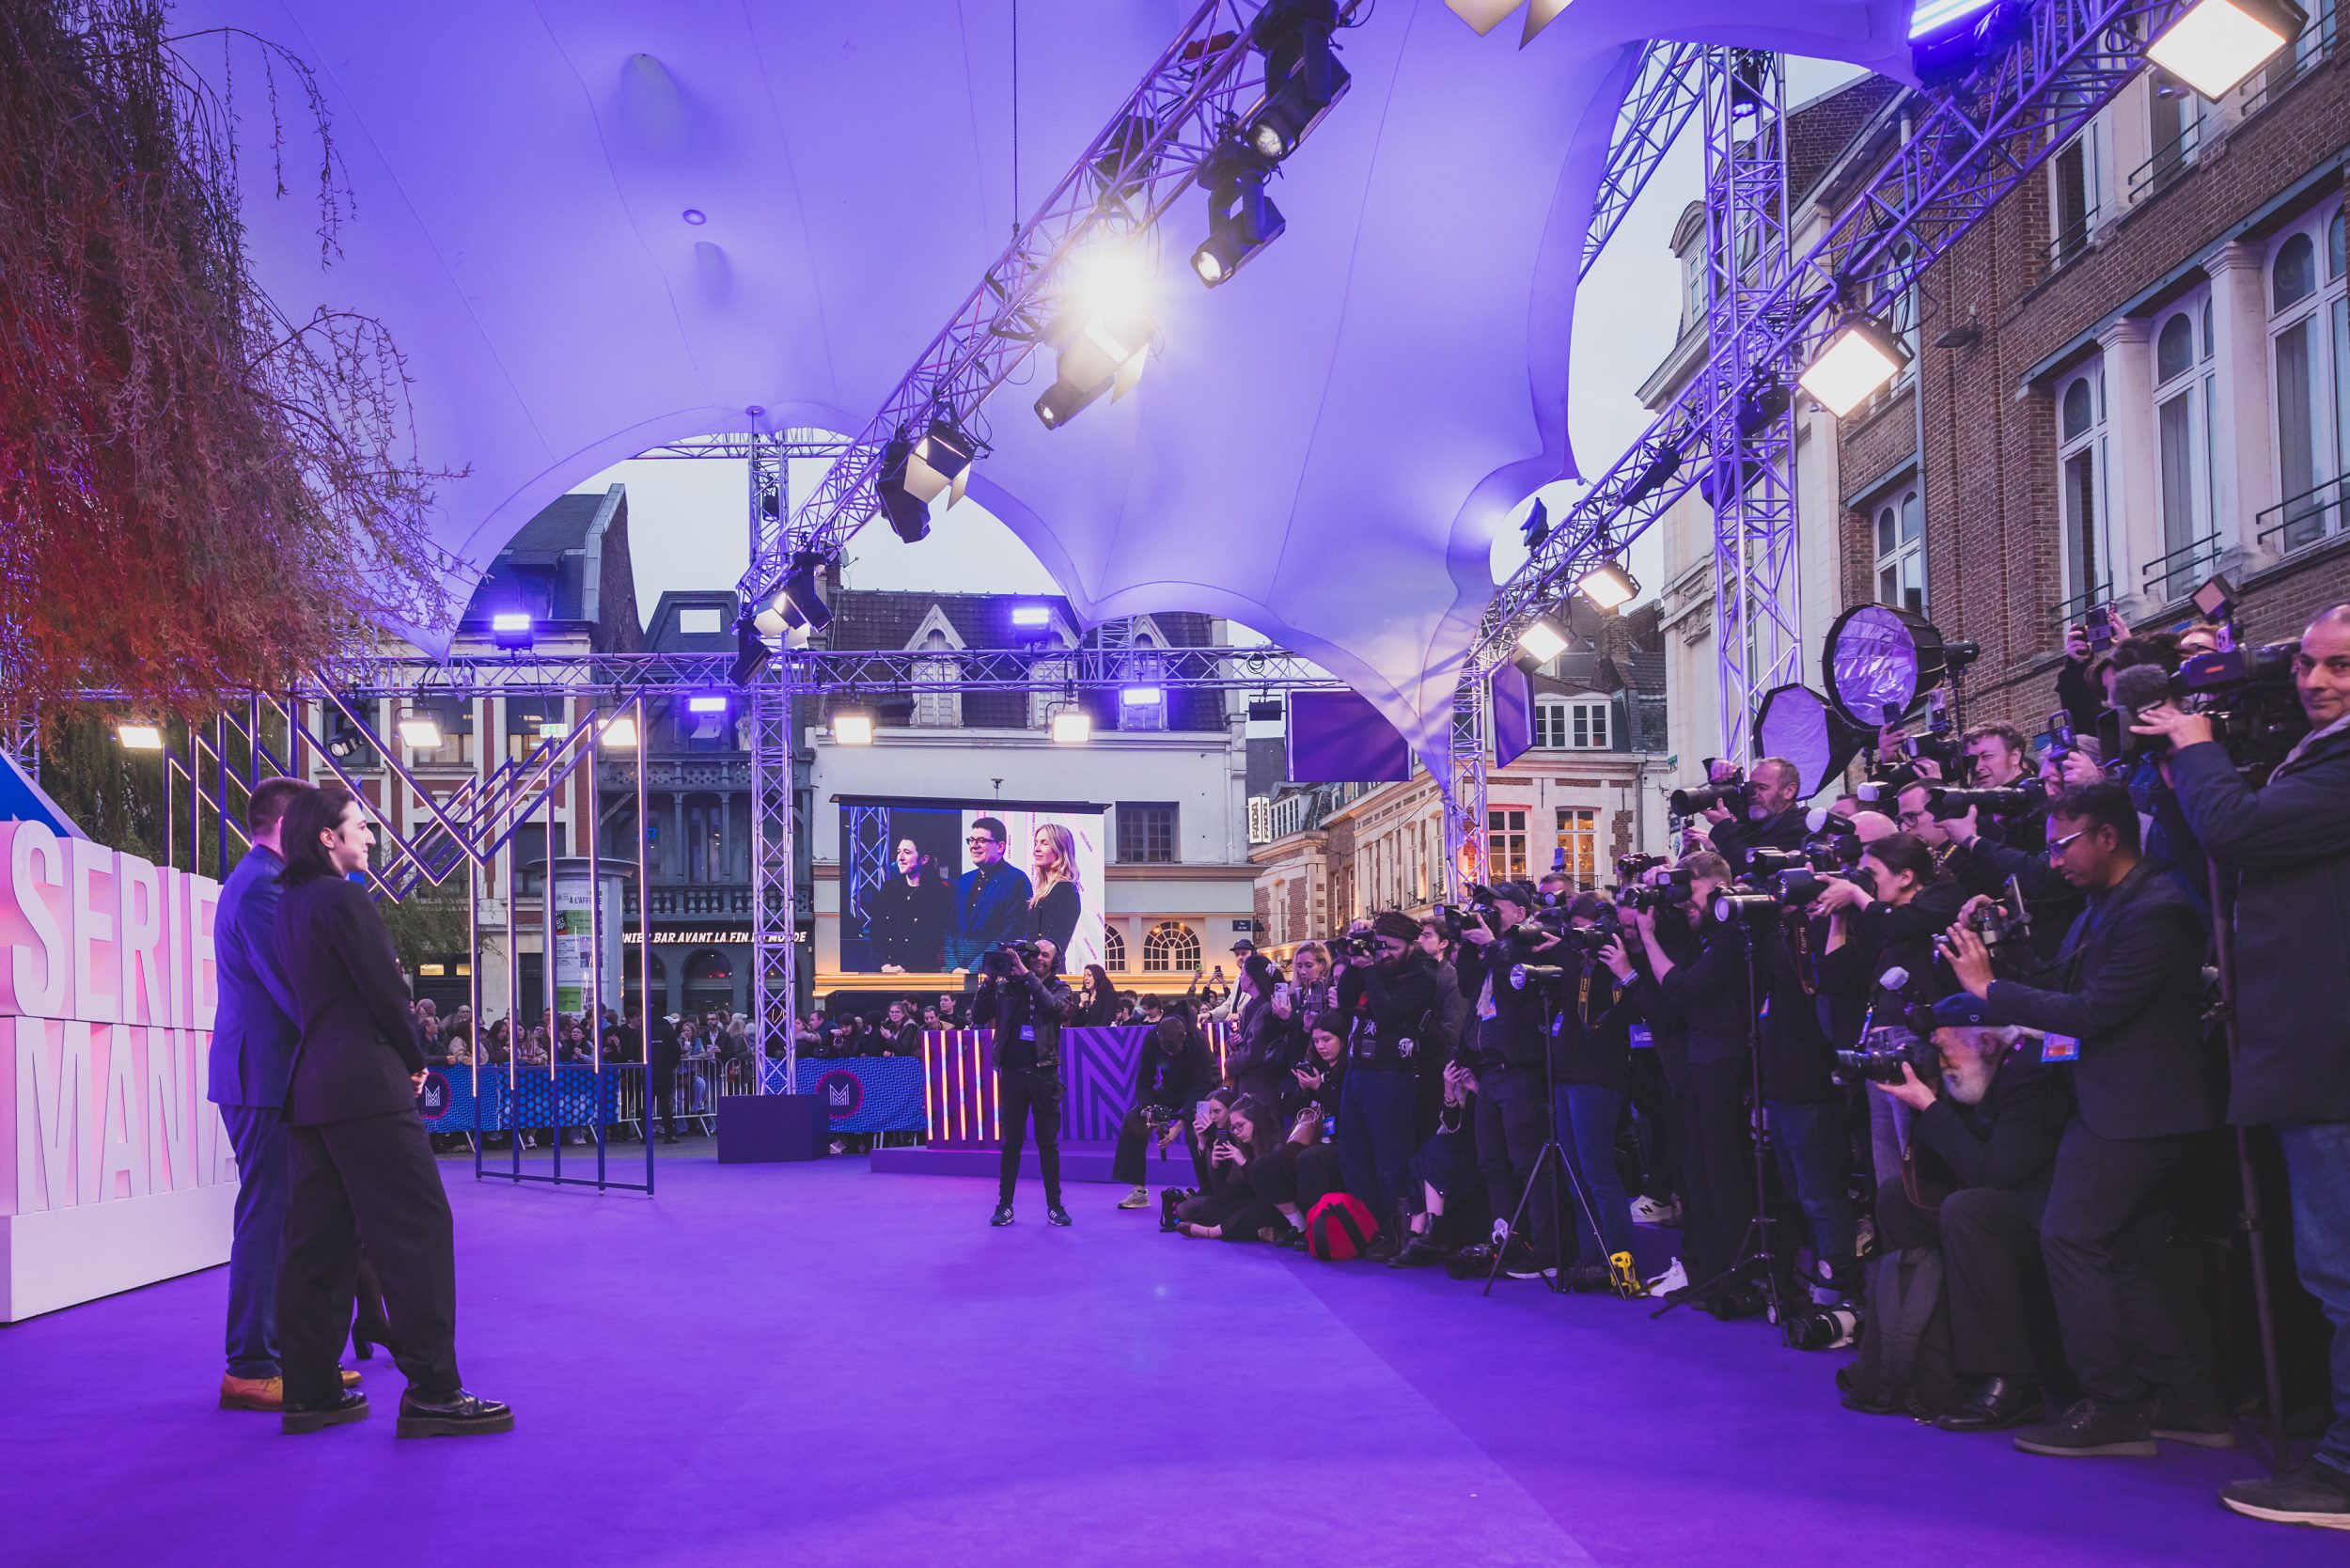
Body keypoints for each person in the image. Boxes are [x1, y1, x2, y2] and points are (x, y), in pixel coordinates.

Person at [2138, 603, 2350, 1529]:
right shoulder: (2311, 755)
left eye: (2339, 666)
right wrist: (2175, 772)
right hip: (2309, 1052)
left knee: (2341, 1273)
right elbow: (2217, 861)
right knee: (2330, 1270)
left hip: (2330, 1055)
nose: (2314, 681)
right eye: (2306, 662)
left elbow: (2239, 831)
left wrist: (2197, 751)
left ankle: (2343, 1473)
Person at [1941, 781, 2226, 1458]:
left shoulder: (2159, 909)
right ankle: (2188, 1402)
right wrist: (2001, 950)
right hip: (2111, 1104)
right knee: (2106, 1249)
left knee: (2071, 1240)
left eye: (2063, 845)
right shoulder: (2105, 907)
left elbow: (2093, 1014)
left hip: (2140, 1110)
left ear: (2108, 836)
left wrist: (1989, 990)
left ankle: (2114, 1406)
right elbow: (2061, 987)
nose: (2053, 861)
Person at [270, 785, 509, 1437]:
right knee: (418, 1227)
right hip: (367, 1086)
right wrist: (414, 1056)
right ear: (328, 837)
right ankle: (434, 1390)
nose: (372, 837)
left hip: (313, 1087)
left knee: (318, 1243)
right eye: (361, 826)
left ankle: (310, 1393)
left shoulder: (289, 906)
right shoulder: (345, 899)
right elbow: (384, 993)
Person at [1847, 1003, 2070, 1429]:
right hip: (2001, 1206)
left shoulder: (2029, 1071)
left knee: (1968, 1210)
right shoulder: (1974, 1073)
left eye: (1945, 1050)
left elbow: (1995, 1174)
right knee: (1897, 1197)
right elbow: (1933, 1169)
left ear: (1986, 1042)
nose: (1941, 1060)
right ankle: (1917, 1354)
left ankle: (2010, 1380)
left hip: (2049, 1208)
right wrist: (1927, 1098)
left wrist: (1932, 1108)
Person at [209, 776, 342, 1414]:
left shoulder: (263, 880)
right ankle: (251, 1365)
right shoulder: (262, 886)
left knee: (282, 1217)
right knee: (267, 1220)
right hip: (261, 1076)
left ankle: (284, 1357)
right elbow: (293, 985)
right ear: (286, 824)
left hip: (267, 1073)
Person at [1452, 882, 1560, 1278]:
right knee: (1491, 1164)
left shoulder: (1530, 945)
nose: (1488, 915)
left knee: (1528, 1163)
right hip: (1488, 1070)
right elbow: (1467, 985)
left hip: (1519, 1070)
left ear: (1519, 912)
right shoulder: (1491, 949)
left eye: (1495, 909)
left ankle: (1545, 1251)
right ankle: (1505, 1243)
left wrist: (1493, 945)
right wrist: (1470, 940)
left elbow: (1515, 993)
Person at [1336, 912, 1440, 1257]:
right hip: (1357, 1070)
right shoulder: (1373, 966)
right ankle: (1367, 1229)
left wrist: (1369, 971)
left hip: (1393, 1074)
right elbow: (1346, 1001)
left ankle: (1396, 1234)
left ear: (1411, 946)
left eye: (1392, 947)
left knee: (1390, 1160)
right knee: (1354, 1156)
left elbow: (1388, 1012)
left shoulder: (1422, 976)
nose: (1385, 954)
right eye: (1380, 946)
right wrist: (1354, 964)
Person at [976, 937, 1074, 1227]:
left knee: (1048, 1145)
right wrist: (990, 981)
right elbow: (979, 1015)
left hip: (1044, 1075)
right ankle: (1004, 1205)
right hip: (1012, 1074)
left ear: (1054, 962)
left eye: (1045, 955)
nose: (1039, 958)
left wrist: (1027, 976)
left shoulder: (1061, 988)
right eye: (1035, 954)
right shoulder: (1007, 986)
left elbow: (1054, 1008)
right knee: (1011, 1144)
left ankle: (1055, 1206)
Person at [1112, 1016, 1217, 1209]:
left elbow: (1201, 1085)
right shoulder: (1152, 1038)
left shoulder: (1198, 1040)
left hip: (1204, 1090)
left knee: (1196, 1130)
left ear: (1183, 1038)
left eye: (1173, 1052)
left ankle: (1209, 1190)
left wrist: (1179, 1126)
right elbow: (1144, 1081)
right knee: (1134, 1119)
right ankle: (1138, 1192)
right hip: (1172, 1088)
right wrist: (1149, 1110)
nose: (1170, 1055)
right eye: (1166, 1052)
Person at [945, 817, 1034, 970]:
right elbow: (950, 930)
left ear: (1000, 846)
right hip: (957, 974)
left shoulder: (1016, 880)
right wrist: (954, 967)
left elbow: (1010, 935)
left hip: (992, 974)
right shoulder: (963, 881)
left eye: (981, 840)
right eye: (971, 840)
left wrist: (973, 970)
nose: (973, 845)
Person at [871, 838, 950, 972]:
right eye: (898, 852)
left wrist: (904, 967)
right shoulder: (889, 890)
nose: (900, 858)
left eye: (907, 852)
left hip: (921, 971)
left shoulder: (939, 892)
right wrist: (884, 964)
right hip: (887, 971)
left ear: (924, 859)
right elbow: (877, 931)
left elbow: (932, 937)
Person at [1026, 823, 1083, 965]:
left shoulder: (1064, 890)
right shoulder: (1048, 890)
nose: (1036, 849)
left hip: (1045, 972)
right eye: (1036, 843)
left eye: (1044, 843)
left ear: (1060, 849)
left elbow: (1051, 944)